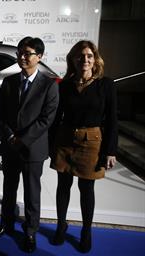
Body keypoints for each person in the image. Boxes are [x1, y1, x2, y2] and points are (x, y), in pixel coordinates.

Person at [0, 37, 59, 253]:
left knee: (31, 192)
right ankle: (5, 224)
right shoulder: (9, 82)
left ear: (40, 56)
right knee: (9, 189)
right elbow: (1, 114)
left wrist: (23, 139)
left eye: (28, 53)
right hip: (10, 146)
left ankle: (30, 231)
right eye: (20, 53)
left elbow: (47, 119)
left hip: (33, 148)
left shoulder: (49, 85)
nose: (22, 57)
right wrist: (10, 137)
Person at [50, 40, 117, 253]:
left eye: (89, 56)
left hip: (92, 142)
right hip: (65, 140)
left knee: (86, 189)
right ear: (73, 60)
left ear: (95, 59)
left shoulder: (106, 84)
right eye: (80, 56)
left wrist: (110, 150)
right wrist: (51, 145)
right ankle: (61, 226)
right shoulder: (66, 85)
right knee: (63, 186)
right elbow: (56, 117)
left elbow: (113, 120)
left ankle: (86, 231)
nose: (85, 60)